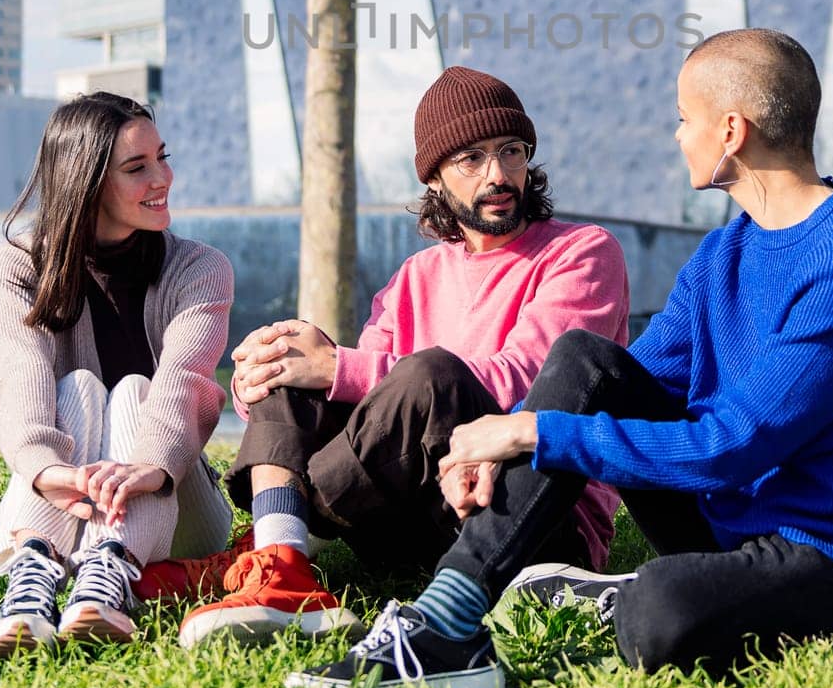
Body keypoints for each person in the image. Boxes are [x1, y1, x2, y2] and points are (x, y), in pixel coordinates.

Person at [286, 29, 833, 688]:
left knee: (660, 615)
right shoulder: (722, 254)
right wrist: (497, 446)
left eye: (683, 119)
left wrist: (529, 435)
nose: (677, 137)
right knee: (583, 360)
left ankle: (607, 598)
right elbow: (600, 384)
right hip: (730, 525)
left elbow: (733, 446)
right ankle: (446, 622)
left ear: (729, 130)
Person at [178, 65, 629, 648]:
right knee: (298, 351)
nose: (498, 174)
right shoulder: (417, 274)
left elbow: (529, 382)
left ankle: (275, 538)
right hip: (403, 521)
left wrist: (334, 369)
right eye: (471, 159)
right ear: (435, 178)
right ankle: (281, 572)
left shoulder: (582, 252)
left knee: (432, 373)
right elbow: (368, 415)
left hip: (527, 519)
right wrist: (266, 372)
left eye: (511, 151)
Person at [0, 92, 234, 659]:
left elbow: (184, 379)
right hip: (63, 505)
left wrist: (149, 467)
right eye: (137, 168)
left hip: (176, 507)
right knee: (80, 388)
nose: (162, 178)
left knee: (137, 390)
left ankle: (109, 567)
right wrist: (46, 470)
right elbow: (18, 372)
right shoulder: (18, 266)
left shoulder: (199, 268)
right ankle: (34, 578)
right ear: (86, 181)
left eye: (162, 158)